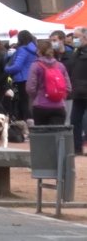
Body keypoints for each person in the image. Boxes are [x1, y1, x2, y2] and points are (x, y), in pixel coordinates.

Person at [27, 40, 71, 125]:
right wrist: (61, 97)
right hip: (59, 106)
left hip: (40, 106)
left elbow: (30, 88)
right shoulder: (60, 66)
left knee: (43, 136)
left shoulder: (35, 66)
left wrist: (36, 97)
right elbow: (68, 87)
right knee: (57, 136)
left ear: (38, 51)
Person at [5, 30, 38, 125]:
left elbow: (17, 66)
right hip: (32, 78)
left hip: (22, 79)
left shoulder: (23, 49)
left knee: (24, 104)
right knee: (30, 103)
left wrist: (6, 68)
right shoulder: (34, 49)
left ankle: (27, 126)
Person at [67, 26, 87, 154]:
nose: (74, 39)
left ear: (85, 38)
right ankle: (77, 147)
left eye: (76, 37)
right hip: (78, 92)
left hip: (84, 90)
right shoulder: (76, 52)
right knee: (74, 120)